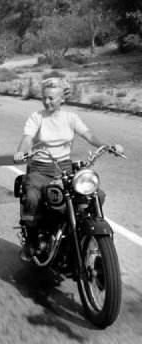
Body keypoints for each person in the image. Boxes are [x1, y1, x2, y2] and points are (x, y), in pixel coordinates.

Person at [13, 77, 124, 261]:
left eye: (51, 98)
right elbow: (27, 138)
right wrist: (21, 152)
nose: (47, 101)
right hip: (40, 167)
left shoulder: (70, 118)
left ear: (62, 98)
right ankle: (31, 241)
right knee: (32, 197)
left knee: (95, 194)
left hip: (64, 167)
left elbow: (88, 134)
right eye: (44, 98)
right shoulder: (37, 117)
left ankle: (83, 234)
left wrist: (108, 146)